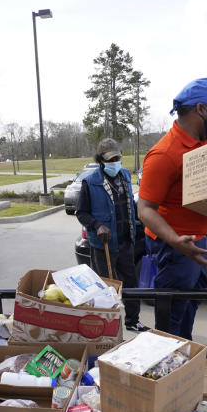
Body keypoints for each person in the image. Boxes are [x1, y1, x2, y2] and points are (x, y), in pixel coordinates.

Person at [137, 77, 207, 340]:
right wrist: (176, 241)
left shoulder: (205, 142)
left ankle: (185, 353)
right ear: (200, 109)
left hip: (196, 241)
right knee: (172, 314)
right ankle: (166, 369)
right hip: (175, 246)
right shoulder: (164, 154)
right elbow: (145, 210)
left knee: (191, 303)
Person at [75, 138, 147, 333]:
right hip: (103, 245)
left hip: (125, 241)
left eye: (117, 157)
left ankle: (132, 320)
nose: (115, 162)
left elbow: (130, 206)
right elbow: (81, 213)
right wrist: (97, 225)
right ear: (101, 161)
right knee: (105, 287)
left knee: (131, 283)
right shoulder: (90, 182)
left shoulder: (124, 175)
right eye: (110, 159)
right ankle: (107, 325)